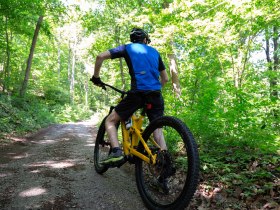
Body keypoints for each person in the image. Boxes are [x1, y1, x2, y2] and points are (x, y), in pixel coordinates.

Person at [91, 28, 169, 165]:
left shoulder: (127, 48)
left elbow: (100, 56)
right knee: (157, 128)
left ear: (132, 40)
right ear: (145, 40)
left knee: (110, 121)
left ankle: (116, 151)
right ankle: (165, 161)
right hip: (156, 95)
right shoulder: (155, 52)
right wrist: (154, 90)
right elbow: (165, 79)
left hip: (138, 93)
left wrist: (96, 77)